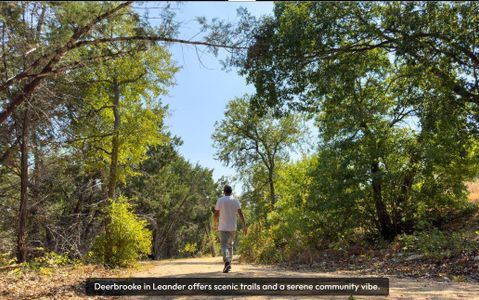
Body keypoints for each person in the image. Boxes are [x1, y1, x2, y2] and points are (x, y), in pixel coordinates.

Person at [214, 185, 247, 273]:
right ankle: (229, 262)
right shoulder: (235, 200)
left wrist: (215, 223)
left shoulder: (220, 200)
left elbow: (216, 213)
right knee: (230, 245)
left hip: (223, 227)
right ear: (231, 192)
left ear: (224, 192)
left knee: (224, 245)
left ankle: (227, 262)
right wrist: (244, 225)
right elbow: (241, 213)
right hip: (233, 227)